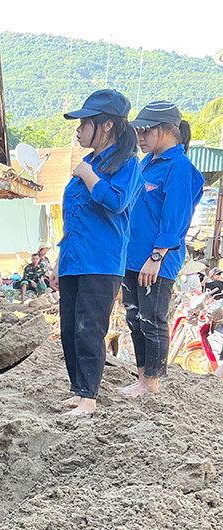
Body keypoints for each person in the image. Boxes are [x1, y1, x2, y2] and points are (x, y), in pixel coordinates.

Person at [57, 89, 142, 415]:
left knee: (90, 328)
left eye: (84, 123)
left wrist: (90, 176)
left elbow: (116, 202)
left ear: (106, 125)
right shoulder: (89, 162)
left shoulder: (126, 165)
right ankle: (79, 390)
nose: (78, 129)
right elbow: (74, 216)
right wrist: (59, 259)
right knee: (69, 328)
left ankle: (90, 398)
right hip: (73, 258)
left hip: (101, 261)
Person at [120, 101, 205, 398]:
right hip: (132, 257)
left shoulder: (180, 167)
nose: (140, 137)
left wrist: (156, 256)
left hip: (156, 260)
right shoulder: (147, 163)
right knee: (134, 317)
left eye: (146, 131)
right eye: (138, 131)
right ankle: (142, 377)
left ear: (168, 131)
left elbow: (176, 217)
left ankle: (151, 383)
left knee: (153, 320)